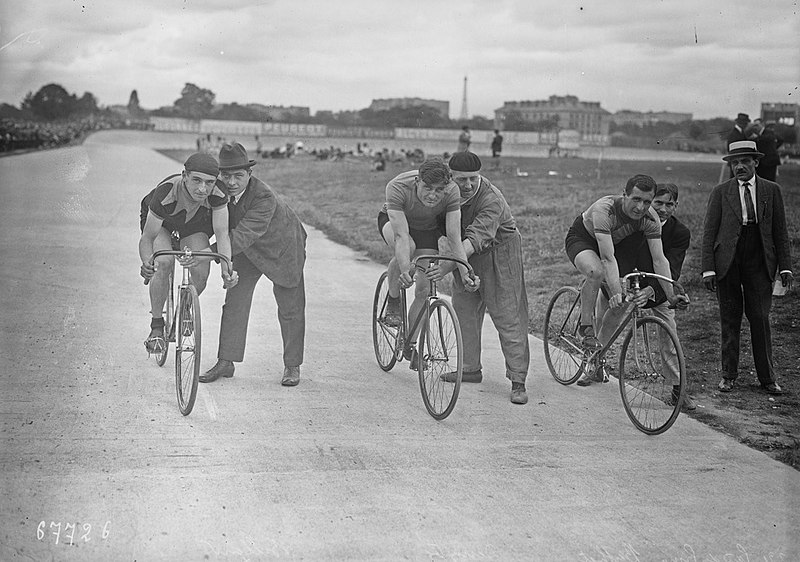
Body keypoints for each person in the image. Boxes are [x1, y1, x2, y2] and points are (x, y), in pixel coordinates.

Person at [426, 152, 530, 405]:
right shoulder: (447, 192)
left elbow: (475, 238)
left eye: (473, 178)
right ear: (451, 177)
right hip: (466, 255)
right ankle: (470, 368)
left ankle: (518, 381)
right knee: (464, 310)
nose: (468, 185)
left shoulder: (491, 199)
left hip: (499, 253)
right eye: (462, 179)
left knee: (507, 315)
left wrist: (448, 266)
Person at [200, 143, 308, 387]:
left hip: (283, 248)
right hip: (247, 250)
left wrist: (207, 252)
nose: (232, 182)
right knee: (235, 301)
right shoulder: (217, 192)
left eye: (238, 176)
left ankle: (292, 365)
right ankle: (226, 361)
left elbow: (242, 235)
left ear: (249, 174)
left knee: (290, 307)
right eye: (226, 176)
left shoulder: (263, 195)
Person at [564, 174, 685, 369]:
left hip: (610, 245)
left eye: (647, 202)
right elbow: (607, 259)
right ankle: (586, 327)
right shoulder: (606, 209)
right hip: (584, 239)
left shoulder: (650, 218)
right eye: (636, 199)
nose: (640, 207)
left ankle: (596, 359)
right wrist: (615, 290)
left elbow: (659, 259)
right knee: (595, 272)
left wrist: (671, 295)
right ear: (624, 195)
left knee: (620, 303)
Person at [591, 184, 695, 409]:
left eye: (670, 204)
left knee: (669, 330)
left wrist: (654, 290)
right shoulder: (636, 221)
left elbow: (671, 267)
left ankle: (678, 387)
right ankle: (595, 363)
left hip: (657, 287)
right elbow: (616, 253)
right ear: (649, 203)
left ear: (676, 206)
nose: (663, 209)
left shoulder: (679, 233)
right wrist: (618, 286)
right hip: (626, 279)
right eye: (658, 203)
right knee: (607, 316)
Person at [701, 140, 793, 395]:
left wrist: (785, 267)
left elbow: (780, 232)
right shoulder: (721, 192)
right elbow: (709, 233)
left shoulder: (771, 190)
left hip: (759, 258)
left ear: (756, 162)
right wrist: (708, 268)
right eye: (734, 162)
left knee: (760, 318)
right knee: (729, 318)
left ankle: (767, 378)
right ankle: (728, 375)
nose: (739, 166)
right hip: (727, 261)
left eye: (744, 161)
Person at [378, 158, 477, 367]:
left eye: (439, 190)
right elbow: (401, 236)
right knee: (408, 248)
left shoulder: (452, 191)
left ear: (447, 186)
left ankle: (410, 345)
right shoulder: (397, 186)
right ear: (417, 181)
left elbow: (453, 236)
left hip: (426, 229)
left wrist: (465, 270)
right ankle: (393, 300)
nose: (433, 195)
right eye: (427, 188)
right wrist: (405, 270)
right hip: (395, 224)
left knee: (424, 289)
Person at [139, 153, 237, 353]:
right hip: (163, 225)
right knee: (163, 262)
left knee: (202, 264)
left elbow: (222, 234)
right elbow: (148, 238)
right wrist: (147, 263)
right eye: (196, 180)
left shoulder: (218, 193)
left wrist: (227, 270)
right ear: (184, 175)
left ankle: (185, 308)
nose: (203, 189)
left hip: (193, 225)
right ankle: (157, 326)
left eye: (209, 182)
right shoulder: (166, 192)